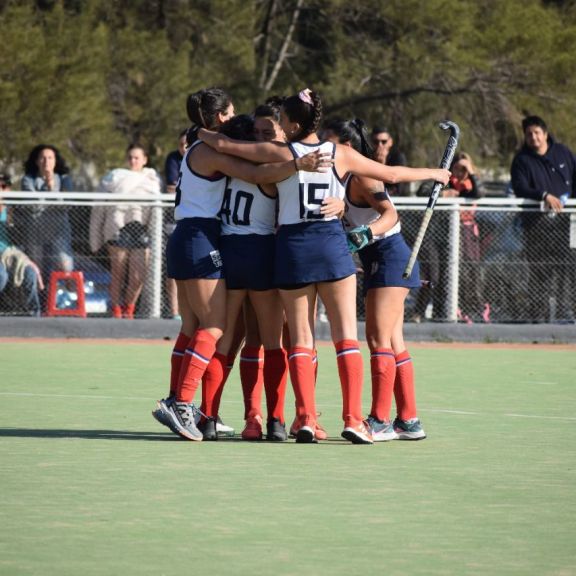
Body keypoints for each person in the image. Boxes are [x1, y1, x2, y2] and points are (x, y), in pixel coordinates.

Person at [198, 88, 450, 444]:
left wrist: (201, 131)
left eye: (283, 120)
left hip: (292, 250)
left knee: (300, 339)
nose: (280, 127)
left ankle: (304, 418)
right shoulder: (342, 153)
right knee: (346, 336)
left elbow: (227, 148)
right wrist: (435, 173)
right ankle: (354, 419)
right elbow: (391, 173)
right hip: (331, 248)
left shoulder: (280, 153)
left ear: (295, 123)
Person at [153, 87, 331, 442]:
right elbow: (261, 176)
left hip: (208, 242)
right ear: (221, 117)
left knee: (196, 328)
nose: (236, 119)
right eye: (233, 113)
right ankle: (266, 418)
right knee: (247, 337)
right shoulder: (239, 160)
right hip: (239, 248)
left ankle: (201, 411)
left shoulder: (205, 150)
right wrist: (297, 163)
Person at [325, 119, 427, 441]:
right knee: (393, 341)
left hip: (389, 256)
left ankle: (381, 420)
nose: (323, 149)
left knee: (378, 338)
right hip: (376, 260)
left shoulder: (363, 175)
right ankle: (409, 420)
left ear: (348, 148)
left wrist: (365, 234)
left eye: (330, 143)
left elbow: (390, 214)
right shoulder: (338, 179)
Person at [511, 115, 576, 323]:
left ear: (545, 134)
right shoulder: (521, 160)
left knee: (570, 271)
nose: (533, 137)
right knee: (540, 273)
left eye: (537, 133)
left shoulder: (563, 153)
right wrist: (544, 195)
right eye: (529, 134)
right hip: (536, 226)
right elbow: (520, 186)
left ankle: (570, 315)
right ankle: (539, 320)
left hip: (567, 225)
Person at [89, 144, 162, 319]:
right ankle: (116, 310)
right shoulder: (115, 177)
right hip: (117, 227)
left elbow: (156, 210)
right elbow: (99, 208)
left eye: (137, 157)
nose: (133, 161)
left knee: (138, 276)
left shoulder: (152, 179)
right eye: (130, 157)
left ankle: (129, 307)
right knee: (118, 273)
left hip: (140, 229)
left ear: (145, 160)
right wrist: (95, 238)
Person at [14, 145, 74, 294]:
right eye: (43, 157)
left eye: (50, 158)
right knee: (37, 270)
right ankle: (39, 306)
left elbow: (66, 207)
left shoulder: (64, 180)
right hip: (35, 232)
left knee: (65, 264)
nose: (46, 161)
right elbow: (33, 207)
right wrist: (52, 197)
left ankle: (68, 300)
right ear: (36, 161)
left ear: (56, 161)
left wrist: (51, 186)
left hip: (59, 231)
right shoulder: (28, 180)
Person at [444, 152, 490, 324]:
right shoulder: (449, 184)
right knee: (458, 271)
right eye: (458, 167)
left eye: (464, 168)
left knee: (473, 270)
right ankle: (459, 307)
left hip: (470, 231)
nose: (461, 171)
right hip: (452, 230)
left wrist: (470, 171)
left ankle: (479, 306)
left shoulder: (473, 185)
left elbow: (479, 193)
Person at [0, 173, 43, 316]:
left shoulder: (12, 208)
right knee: (2, 276)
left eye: (4, 186)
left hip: (9, 253)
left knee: (30, 273)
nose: (2, 189)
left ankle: (34, 315)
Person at [163, 129, 188, 319]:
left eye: (188, 144)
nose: (184, 148)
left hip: (197, 227)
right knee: (175, 269)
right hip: (174, 222)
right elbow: (171, 187)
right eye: (181, 145)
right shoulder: (173, 159)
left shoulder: (204, 157)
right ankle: (174, 311)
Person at [371, 125, 409, 196]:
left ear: (390, 142)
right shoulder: (368, 158)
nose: (380, 145)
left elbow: (398, 188)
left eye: (384, 142)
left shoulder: (397, 157)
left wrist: (382, 164)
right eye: (376, 142)